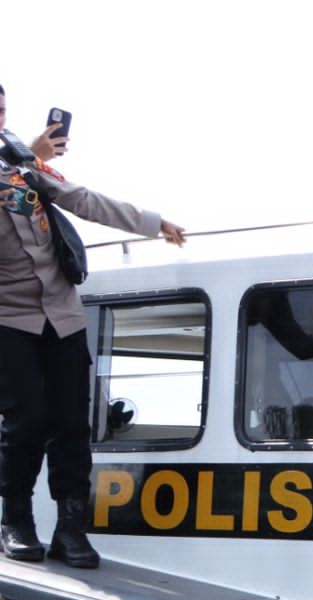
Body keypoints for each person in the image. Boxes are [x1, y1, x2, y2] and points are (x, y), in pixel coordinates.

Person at [0, 85, 185, 568]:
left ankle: (71, 528)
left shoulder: (22, 165)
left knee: (71, 424)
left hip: (61, 311)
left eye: (0, 111)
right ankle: (15, 520)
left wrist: (151, 222)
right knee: (28, 420)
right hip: (8, 316)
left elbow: (81, 199)